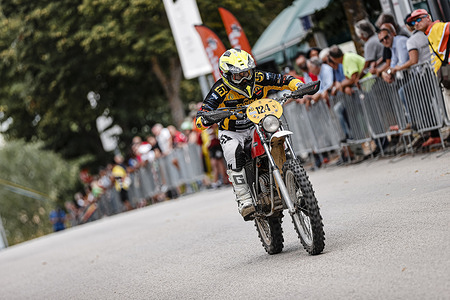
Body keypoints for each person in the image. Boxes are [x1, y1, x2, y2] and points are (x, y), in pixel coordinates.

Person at [195, 48, 303, 220]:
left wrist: (298, 86)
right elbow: (202, 113)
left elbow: (283, 80)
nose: (245, 78)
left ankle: (294, 177)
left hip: (258, 123)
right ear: (227, 75)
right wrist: (205, 119)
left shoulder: (259, 77)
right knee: (233, 152)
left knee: (278, 132)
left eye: (247, 72)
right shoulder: (220, 89)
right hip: (232, 131)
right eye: (239, 75)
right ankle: (244, 199)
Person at [407, 8, 448, 147]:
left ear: (427, 18)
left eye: (419, 19)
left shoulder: (436, 27)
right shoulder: (429, 33)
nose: (416, 23)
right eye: (413, 22)